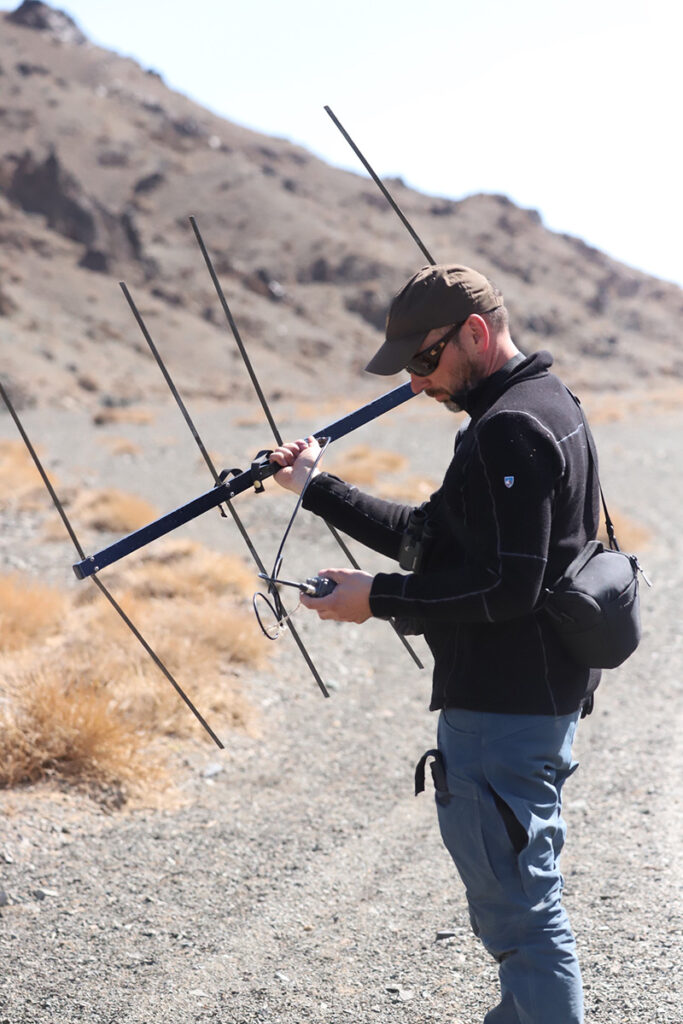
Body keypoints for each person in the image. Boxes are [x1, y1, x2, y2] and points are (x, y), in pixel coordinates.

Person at [269, 263, 600, 1024]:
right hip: (535, 700)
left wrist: (374, 599)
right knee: (521, 911)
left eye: (424, 361)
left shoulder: (508, 428)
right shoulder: (548, 404)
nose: (417, 384)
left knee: (523, 922)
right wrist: (317, 486)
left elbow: (505, 589)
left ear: (474, 336)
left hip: (502, 711)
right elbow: (433, 540)